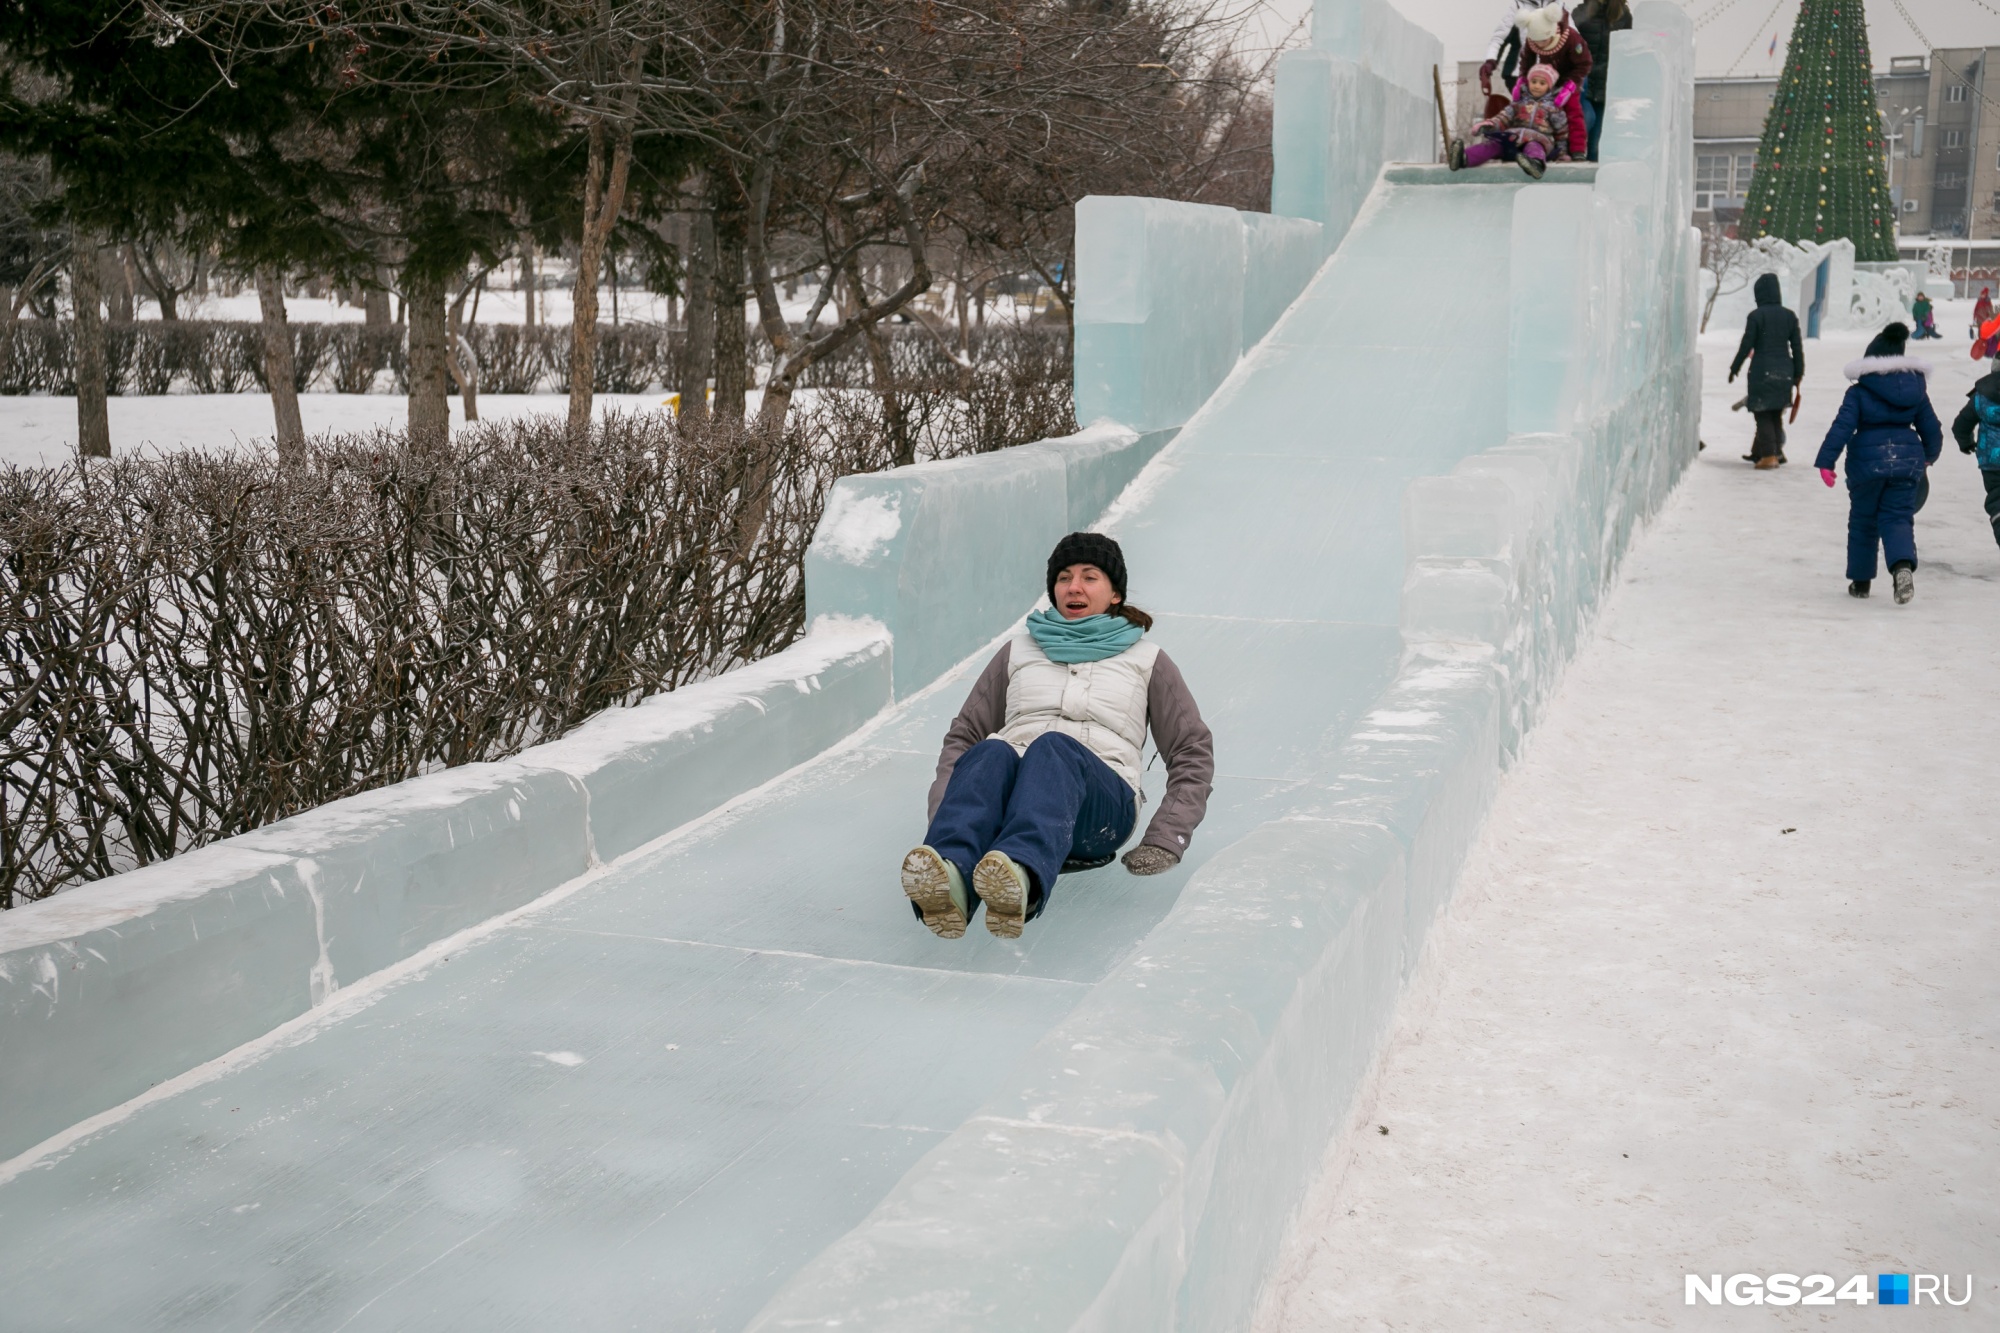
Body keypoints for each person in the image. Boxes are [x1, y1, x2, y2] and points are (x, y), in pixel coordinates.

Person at [901, 532, 1214, 939]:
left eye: (1089, 576)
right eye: (1064, 577)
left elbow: (1191, 751)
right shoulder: (1017, 652)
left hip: (1099, 806)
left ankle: (1020, 879)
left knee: (1053, 748)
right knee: (991, 750)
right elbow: (964, 736)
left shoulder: (1146, 660)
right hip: (1012, 799)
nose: (1074, 587)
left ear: (1115, 592)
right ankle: (952, 878)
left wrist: (1166, 837)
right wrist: (949, 809)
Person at [1814, 322, 1942, 604]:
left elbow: (1842, 427)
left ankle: (1861, 583)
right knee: (1897, 518)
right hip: (1907, 463)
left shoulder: (1859, 392)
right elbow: (1932, 430)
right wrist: (1927, 458)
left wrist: (1826, 462)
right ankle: (1902, 568)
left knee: (1863, 521)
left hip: (1867, 466)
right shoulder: (1917, 391)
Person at [1729, 273, 1803, 469]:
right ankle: (1773, 452)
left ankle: (1769, 455)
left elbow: (1746, 346)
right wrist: (1798, 374)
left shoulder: (1756, 316)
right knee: (1775, 414)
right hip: (1785, 371)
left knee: (1762, 413)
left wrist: (1734, 367)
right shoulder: (1789, 316)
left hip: (1762, 371)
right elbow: (1797, 347)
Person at [1451, 62, 1570, 178]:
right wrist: (1490, 124)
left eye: (1542, 83)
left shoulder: (1554, 109)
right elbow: (1503, 118)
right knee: (1493, 145)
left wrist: (1562, 153)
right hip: (1513, 139)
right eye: (1534, 82)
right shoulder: (1517, 104)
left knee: (1533, 146)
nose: (1537, 86)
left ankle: (1535, 164)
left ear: (1549, 87)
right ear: (1528, 83)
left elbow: (1562, 132)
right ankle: (1463, 158)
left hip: (1539, 140)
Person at [1512, 2, 1593, 163]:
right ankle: (1549, 149)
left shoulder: (1570, 38)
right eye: (1537, 41)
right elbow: (1526, 61)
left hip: (1571, 78)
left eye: (1543, 40)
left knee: (1573, 112)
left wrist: (1570, 87)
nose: (1540, 44)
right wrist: (1521, 81)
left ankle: (1577, 150)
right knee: (1544, 112)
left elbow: (1585, 63)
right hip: (1548, 79)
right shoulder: (1533, 39)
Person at [1569, 0, 1629, 161]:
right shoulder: (1581, 12)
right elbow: (1570, 43)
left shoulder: (1623, 15)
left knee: (1597, 142)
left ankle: (1592, 181)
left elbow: (1627, 49)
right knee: (1587, 119)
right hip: (1583, 82)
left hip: (1607, 84)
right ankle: (1569, 158)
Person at [1950, 358, 2000, 550]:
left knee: (1997, 500)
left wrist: (1967, 444)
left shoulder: (1981, 395)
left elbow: (1960, 425)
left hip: (1992, 462)